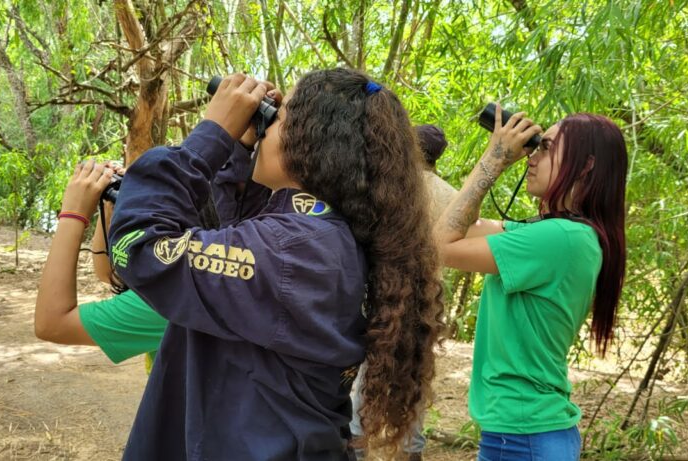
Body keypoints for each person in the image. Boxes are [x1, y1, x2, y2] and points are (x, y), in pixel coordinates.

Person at [106, 69, 445, 460]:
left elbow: (139, 247)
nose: (264, 127)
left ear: (309, 144)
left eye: (277, 119)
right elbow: (231, 229)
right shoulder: (320, 239)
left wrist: (212, 134)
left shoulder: (291, 252)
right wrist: (235, 152)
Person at [434, 107, 627, 460]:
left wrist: (494, 160)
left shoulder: (561, 238)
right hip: (522, 433)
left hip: (524, 437)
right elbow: (459, 226)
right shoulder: (559, 234)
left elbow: (439, 247)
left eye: (545, 148)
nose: (531, 157)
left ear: (585, 166)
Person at [34, 139, 271, 366]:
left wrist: (73, 214)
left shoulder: (167, 299)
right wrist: (113, 207)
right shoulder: (199, 271)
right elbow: (110, 273)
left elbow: (52, 324)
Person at [349, 123, 457, 461]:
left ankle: (355, 444)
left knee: (365, 376)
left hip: (385, 294)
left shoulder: (391, 188)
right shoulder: (451, 196)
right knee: (414, 378)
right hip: (427, 299)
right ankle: (412, 451)